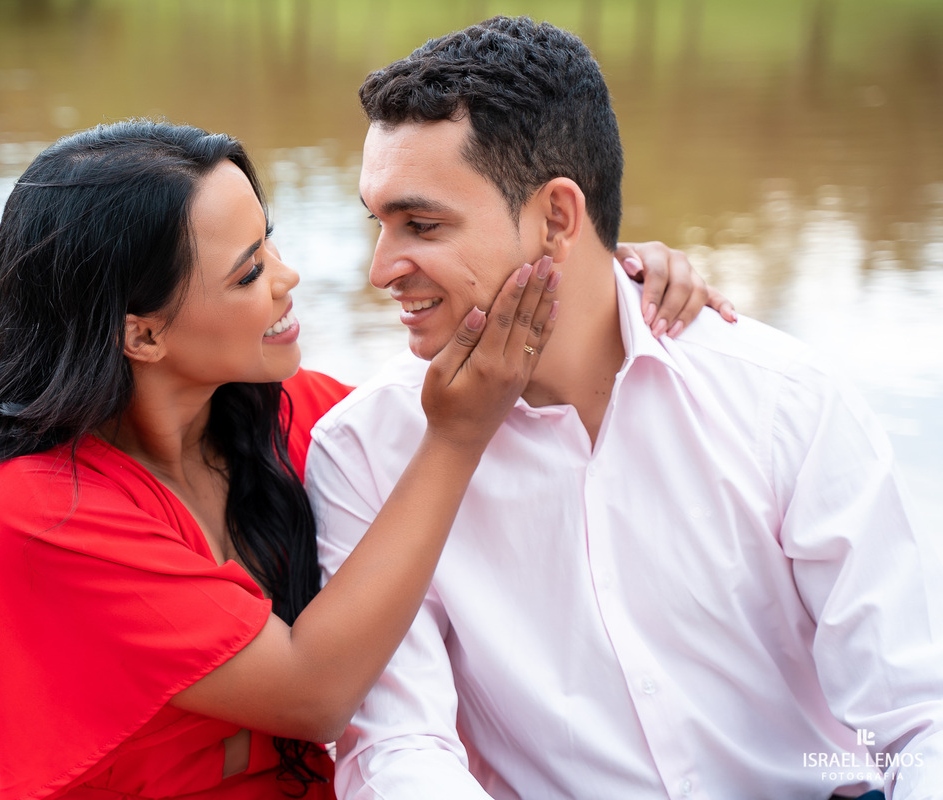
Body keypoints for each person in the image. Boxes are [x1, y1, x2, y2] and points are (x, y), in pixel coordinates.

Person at [0, 119, 718, 800]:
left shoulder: (289, 415)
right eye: (249, 272)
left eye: (270, 243)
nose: (287, 279)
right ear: (144, 334)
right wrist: (453, 440)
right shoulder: (36, 512)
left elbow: (468, 397)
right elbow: (314, 696)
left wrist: (595, 275)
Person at [307, 16, 943, 800]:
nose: (380, 270)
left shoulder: (781, 399)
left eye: (422, 225)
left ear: (557, 218)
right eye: (379, 224)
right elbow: (402, 748)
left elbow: (914, 722)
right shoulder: (363, 451)